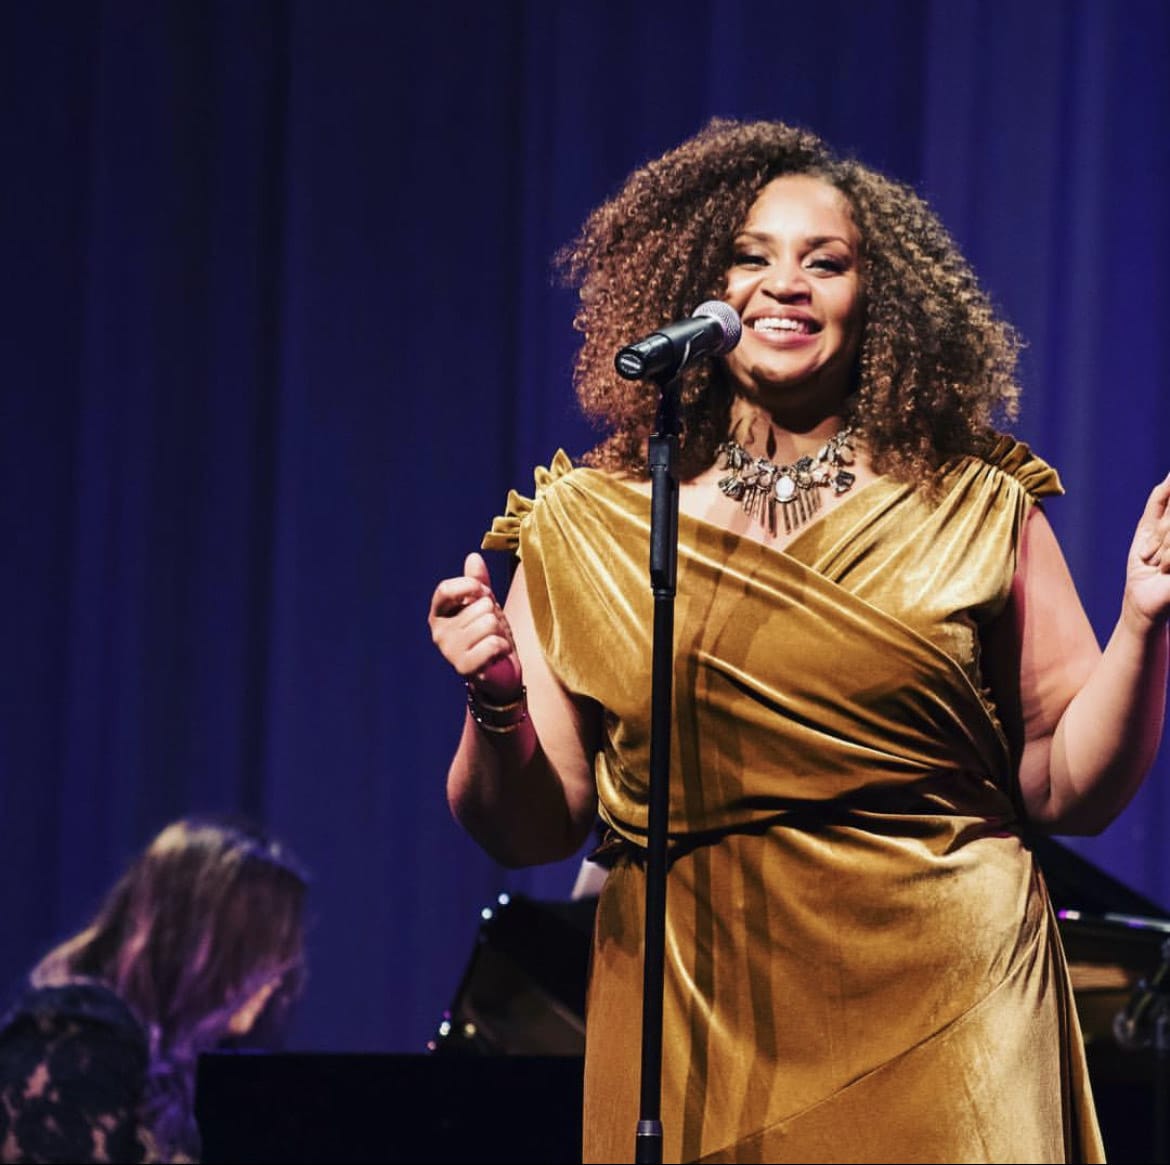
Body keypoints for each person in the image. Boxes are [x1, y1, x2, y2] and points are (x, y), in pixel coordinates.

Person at [427, 117, 1170, 1163]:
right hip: (695, 1017)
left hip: (949, 1014)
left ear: (881, 301)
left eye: (827, 262)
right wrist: (495, 698)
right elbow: (533, 826)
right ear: (688, 288)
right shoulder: (585, 526)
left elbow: (1063, 786)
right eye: (751, 257)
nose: (787, 284)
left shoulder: (973, 503)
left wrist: (1143, 622)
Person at [0, 815, 309, 1164]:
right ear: (198, 945)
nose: (276, 975)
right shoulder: (77, 1036)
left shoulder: (190, 1070)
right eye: (261, 949)